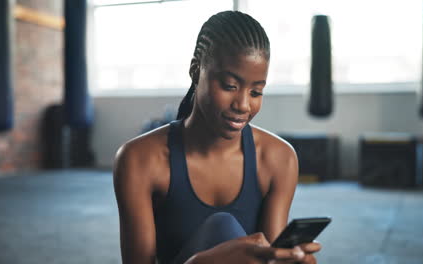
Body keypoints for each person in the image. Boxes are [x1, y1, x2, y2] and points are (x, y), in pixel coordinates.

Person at [113, 10, 322, 264]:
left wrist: (293, 260)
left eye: (256, 92)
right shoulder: (139, 160)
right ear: (195, 71)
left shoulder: (279, 158)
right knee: (222, 227)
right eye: (229, 86)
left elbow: (271, 257)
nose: (243, 105)